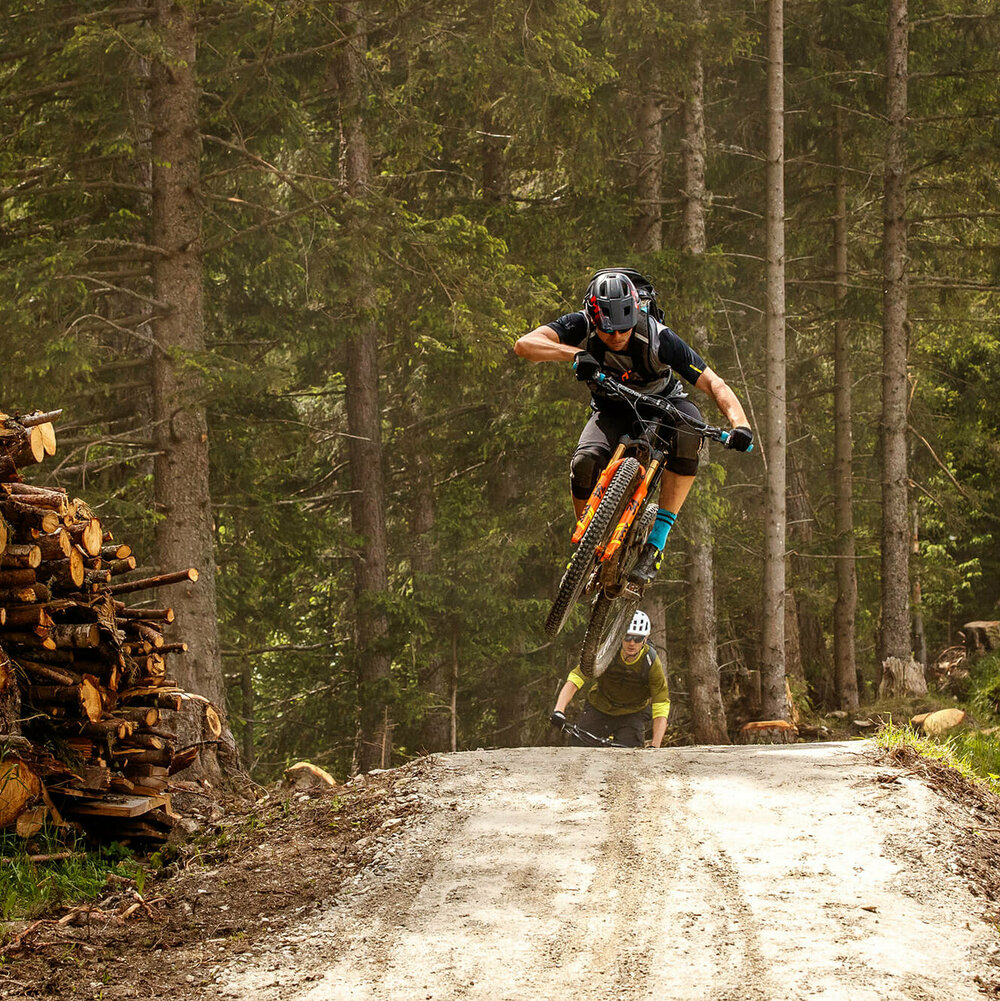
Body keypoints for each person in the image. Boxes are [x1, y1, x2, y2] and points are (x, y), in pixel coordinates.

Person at [514, 269, 753, 586]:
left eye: (623, 330)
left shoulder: (659, 337)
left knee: (688, 433)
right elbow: (524, 345)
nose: (615, 337)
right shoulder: (581, 323)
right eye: (607, 331)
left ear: (636, 312)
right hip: (612, 408)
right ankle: (589, 547)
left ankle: (656, 543)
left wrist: (740, 425)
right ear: (594, 317)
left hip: (664, 404)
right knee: (584, 463)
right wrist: (575, 353)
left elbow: (714, 383)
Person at [549, 610, 668, 747]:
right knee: (578, 750)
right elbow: (577, 677)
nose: (632, 643)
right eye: (627, 637)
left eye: (638, 639)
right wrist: (559, 710)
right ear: (620, 636)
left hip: (632, 713)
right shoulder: (607, 652)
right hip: (599, 707)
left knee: (630, 758)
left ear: (645, 639)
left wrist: (655, 744)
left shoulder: (650, 661)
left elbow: (661, 704)